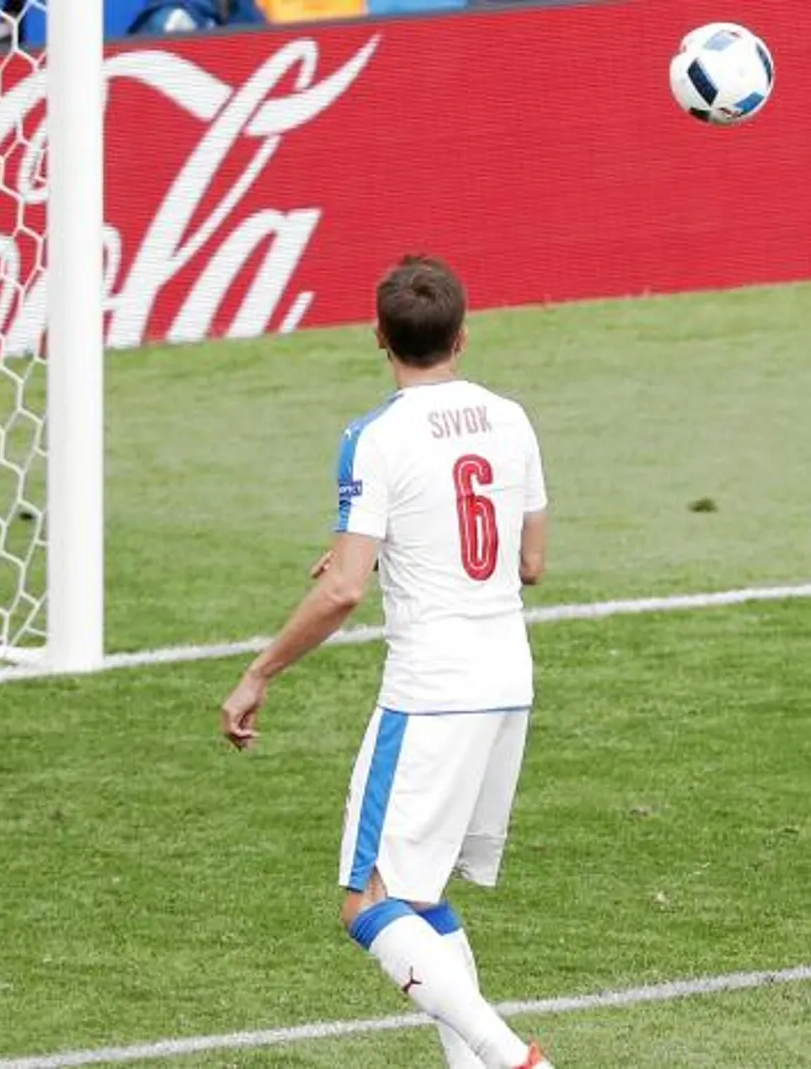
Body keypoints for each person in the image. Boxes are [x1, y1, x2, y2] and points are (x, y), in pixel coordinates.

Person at [220, 255, 554, 1068]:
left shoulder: (374, 438)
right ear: (463, 336)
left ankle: (514, 1058)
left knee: (365, 900)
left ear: (379, 336)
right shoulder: (510, 418)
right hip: (508, 678)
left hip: (431, 691)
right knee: (419, 894)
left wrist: (258, 672)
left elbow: (342, 592)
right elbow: (530, 561)